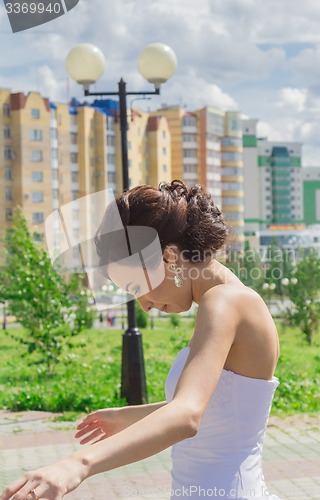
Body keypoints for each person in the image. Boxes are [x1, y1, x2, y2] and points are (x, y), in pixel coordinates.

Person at [0, 180, 280, 500]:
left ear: (169, 258)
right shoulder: (229, 300)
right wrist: (130, 417)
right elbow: (223, 410)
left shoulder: (225, 301)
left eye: (135, 286)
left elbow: (187, 415)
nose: (144, 305)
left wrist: (76, 465)